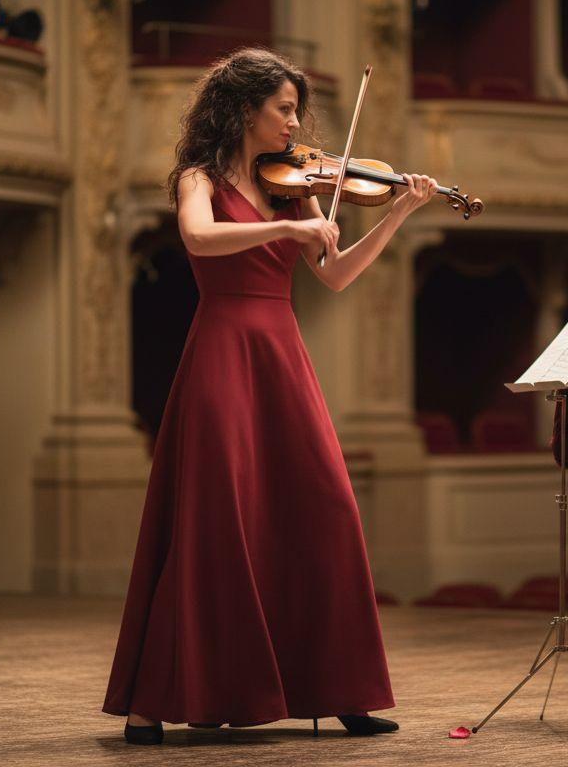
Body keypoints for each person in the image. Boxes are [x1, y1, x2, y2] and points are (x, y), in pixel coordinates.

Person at [101, 47, 439, 746]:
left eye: (295, 109)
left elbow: (336, 274)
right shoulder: (199, 177)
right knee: (214, 519)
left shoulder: (294, 183)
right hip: (223, 349)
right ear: (245, 108)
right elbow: (198, 237)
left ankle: (341, 686)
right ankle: (152, 702)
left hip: (280, 352)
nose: (293, 121)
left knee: (328, 506)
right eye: (283, 108)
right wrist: (288, 227)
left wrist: (400, 210)